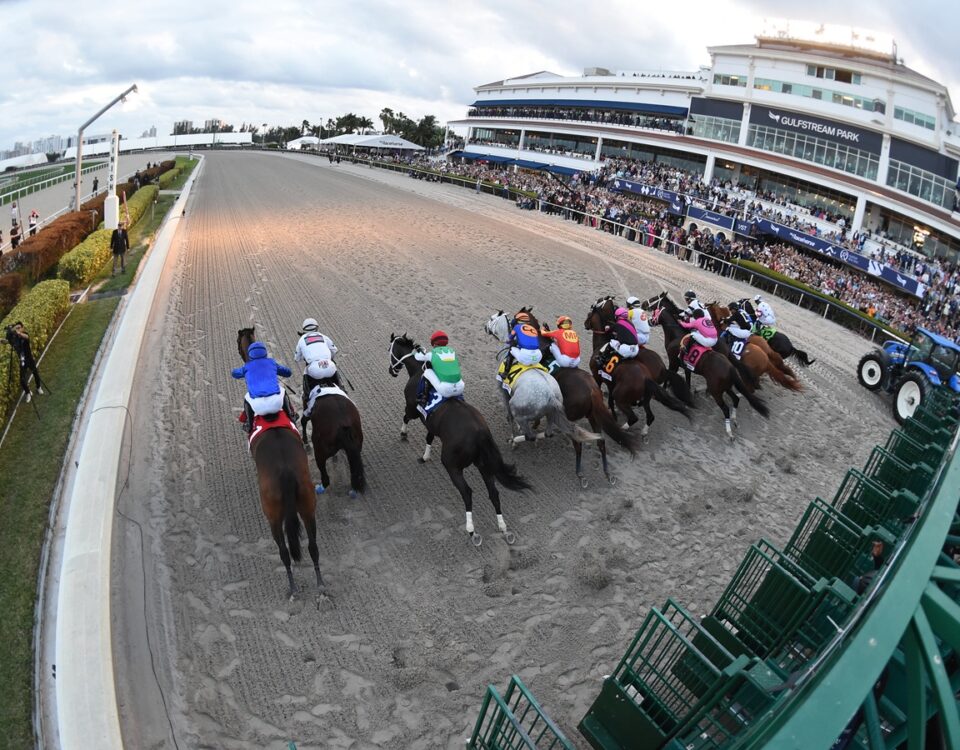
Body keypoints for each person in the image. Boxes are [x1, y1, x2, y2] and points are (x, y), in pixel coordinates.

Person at [231, 341, 294, 434]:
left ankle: (249, 423)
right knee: (283, 390)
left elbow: (235, 374)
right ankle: (291, 416)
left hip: (258, 407)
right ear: (265, 352)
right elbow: (288, 373)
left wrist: (233, 371)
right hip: (276, 403)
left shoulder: (247, 366)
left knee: (247, 396)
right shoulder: (271, 362)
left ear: (250, 354)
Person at [294, 318, 343, 418]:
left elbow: (297, 359)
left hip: (314, 371)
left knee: (306, 371)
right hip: (329, 367)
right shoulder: (323, 336)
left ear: (304, 330)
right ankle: (342, 389)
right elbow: (334, 350)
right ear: (317, 328)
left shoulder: (301, 339)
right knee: (334, 369)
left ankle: (307, 398)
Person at [412, 330, 465, 413]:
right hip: (461, 388)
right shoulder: (452, 351)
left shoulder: (431, 354)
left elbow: (418, 357)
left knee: (427, 371)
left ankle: (423, 397)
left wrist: (415, 351)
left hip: (445, 390)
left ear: (434, 343)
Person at [5, 322, 44, 402]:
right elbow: (8, 341)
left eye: (19, 327)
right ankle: (28, 392)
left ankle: (38, 387)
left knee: (35, 373)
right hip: (22, 361)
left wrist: (19, 333)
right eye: (16, 328)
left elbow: (26, 337)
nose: (17, 329)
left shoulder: (25, 335)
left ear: (22, 328)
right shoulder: (15, 338)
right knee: (22, 379)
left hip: (29, 359)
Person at [499, 311, 543, 381]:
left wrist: (510, 342)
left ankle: (505, 373)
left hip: (526, 356)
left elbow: (509, 339)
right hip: (538, 356)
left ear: (518, 321)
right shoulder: (534, 329)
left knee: (511, 350)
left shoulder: (517, 327)